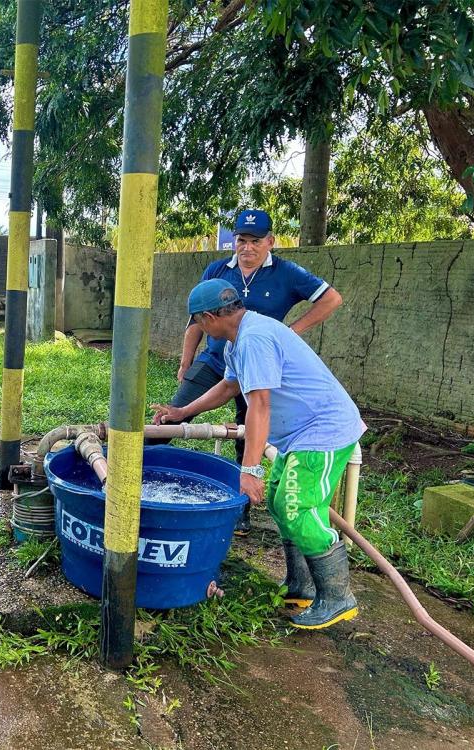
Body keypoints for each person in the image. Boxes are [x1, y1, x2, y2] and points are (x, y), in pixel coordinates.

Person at [151, 279, 365, 629]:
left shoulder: (254, 339)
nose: (198, 330)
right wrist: (182, 411)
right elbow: (230, 385)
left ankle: (339, 597)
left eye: (197, 323)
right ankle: (303, 586)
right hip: (300, 434)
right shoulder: (242, 338)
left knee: (297, 507)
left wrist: (250, 469)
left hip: (323, 431)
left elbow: (260, 406)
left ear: (208, 317)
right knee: (282, 503)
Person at [157, 209, 343, 537]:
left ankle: (243, 502)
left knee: (250, 434)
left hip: (310, 420)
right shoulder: (222, 285)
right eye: (241, 240)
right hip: (226, 360)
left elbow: (260, 406)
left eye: (255, 241)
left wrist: (291, 331)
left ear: (270, 242)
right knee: (175, 418)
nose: (247, 247)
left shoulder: (266, 314)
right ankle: (145, 472)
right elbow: (230, 385)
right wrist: (184, 394)